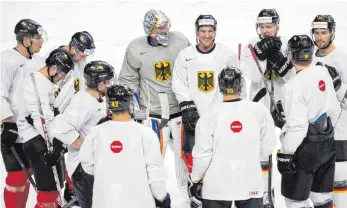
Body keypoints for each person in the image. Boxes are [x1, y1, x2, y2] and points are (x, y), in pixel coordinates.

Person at [118, 9, 191, 198]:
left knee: (186, 156)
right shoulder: (136, 48)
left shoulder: (181, 40)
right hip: (154, 115)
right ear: (149, 29)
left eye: (166, 24)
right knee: (152, 159)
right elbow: (128, 80)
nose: (165, 30)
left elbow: (191, 68)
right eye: (160, 27)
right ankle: (150, 196)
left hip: (180, 111)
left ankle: (190, 194)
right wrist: (134, 110)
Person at [172, 14, 240, 207]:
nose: (207, 35)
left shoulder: (227, 54)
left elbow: (236, 82)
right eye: (203, 31)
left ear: (215, 32)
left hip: (221, 117)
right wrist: (187, 104)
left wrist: (225, 110)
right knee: (193, 156)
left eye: (210, 31)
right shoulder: (185, 55)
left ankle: (220, 193)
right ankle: (195, 193)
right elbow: (178, 82)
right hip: (194, 117)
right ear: (197, 33)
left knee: (220, 156)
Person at [188, 66, 276, 208]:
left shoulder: (209, 115)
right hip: (250, 183)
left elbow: (202, 156)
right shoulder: (259, 111)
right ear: (241, 85)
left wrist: (196, 179)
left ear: (220, 87)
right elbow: (268, 147)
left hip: (216, 187)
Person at [79, 84, 170, 208]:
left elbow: (87, 164)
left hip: (105, 201)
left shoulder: (96, 132)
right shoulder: (146, 134)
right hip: (138, 201)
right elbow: (155, 172)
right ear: (130, 105)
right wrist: (162, 196)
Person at [277, 35, 341, 208]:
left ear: (290, 55)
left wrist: (286, 154)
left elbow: (298, 126)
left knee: (294, 200)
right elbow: (334, 108)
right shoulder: (323, 72)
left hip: (305, 148)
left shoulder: (291, 87)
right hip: (327, 143)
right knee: (321, 198)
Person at [241, 8, 296, 206]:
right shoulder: (250, 45)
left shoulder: (288, 44)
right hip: (259, 104)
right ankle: (264, 195)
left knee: (291, 150)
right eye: (262, 26)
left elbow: (293, 78)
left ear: (277, 27)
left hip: (284, 103)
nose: (265, 31)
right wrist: (262, 55)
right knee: (261, 152)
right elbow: (253, 76)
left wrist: (279, 59)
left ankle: (294, 196)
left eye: (269, 26)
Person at [16, 48, 75, 207]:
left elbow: (51, 114)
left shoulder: (46, 84)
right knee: (48, 196)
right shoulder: (36, 81)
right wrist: (56, 142)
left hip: (45, 138)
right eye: (62, 74)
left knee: (57, 190)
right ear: (54, 68)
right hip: (36, 140)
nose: (62, 78)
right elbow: (42, 119)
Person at [52, 60, 115, 208]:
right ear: (100, 84)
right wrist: (87, 146)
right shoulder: (84, 101)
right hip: (84, 169)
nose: (111, 84)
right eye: (109, 81)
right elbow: (61, 127)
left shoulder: (96, 100)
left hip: (93, 166)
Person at [1, 18, 46, 208]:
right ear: (26, 40)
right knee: (17, 177)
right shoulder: (6, 59)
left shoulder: (39, 61)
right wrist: (7, 122)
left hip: (34, 129)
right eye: (37, 37)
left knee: (28, 173)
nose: (41, 41)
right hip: (13, 129)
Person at [310, 14, 347, 208]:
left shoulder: (342, 58)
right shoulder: (310, 57)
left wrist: (339, 86)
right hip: (316, 134)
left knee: (339, 185)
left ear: (332, 33)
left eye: (323, 32)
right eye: (316, 32)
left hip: (339, 133)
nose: (319, 37)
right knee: (317, 192)